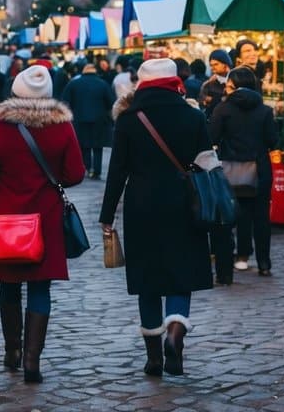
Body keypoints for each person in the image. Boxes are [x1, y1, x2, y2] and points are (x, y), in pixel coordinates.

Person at [100, 58, 213, 378]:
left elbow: (117, 171)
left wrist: (107, 215)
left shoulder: (128, 120)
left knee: (147, 278)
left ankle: (153, 358)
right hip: (184, 204)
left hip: (142, 205)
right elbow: (207, 163)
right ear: (174, 82)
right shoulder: (192, 115)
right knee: (181, 273)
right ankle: (175, 333)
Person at [0, 66, 85, 383]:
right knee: (40, 287)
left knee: (8, 285)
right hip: (47, 215)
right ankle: (31, 361)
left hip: (9, 215)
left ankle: (12, 350)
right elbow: (75, 173)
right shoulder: (62, 127)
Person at [208, 67, 278, 281]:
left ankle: (236, 258)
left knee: (230, 216)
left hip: (231, 170)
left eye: (228, 86)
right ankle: (264, 262)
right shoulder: (264, 110)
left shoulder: (223, 109)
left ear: (235, 87)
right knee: (261, 216)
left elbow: (212, 138)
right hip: (259, 169)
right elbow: (272, 141)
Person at [61, 60, 117, 179]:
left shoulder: (74, 84)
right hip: (99, 120)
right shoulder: (103, 84)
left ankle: (86, 167)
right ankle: (96, 171)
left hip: (79, 118)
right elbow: (111, 102)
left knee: (84, 145)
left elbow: (65, 101)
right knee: (98, 146)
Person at [198, 49, 232, 118]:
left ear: (225, 64)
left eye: (216, 64)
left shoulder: (236, 80)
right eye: (211, 65)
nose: (212, 68)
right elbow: (202, 102)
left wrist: (212, 100)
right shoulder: (208, 84)